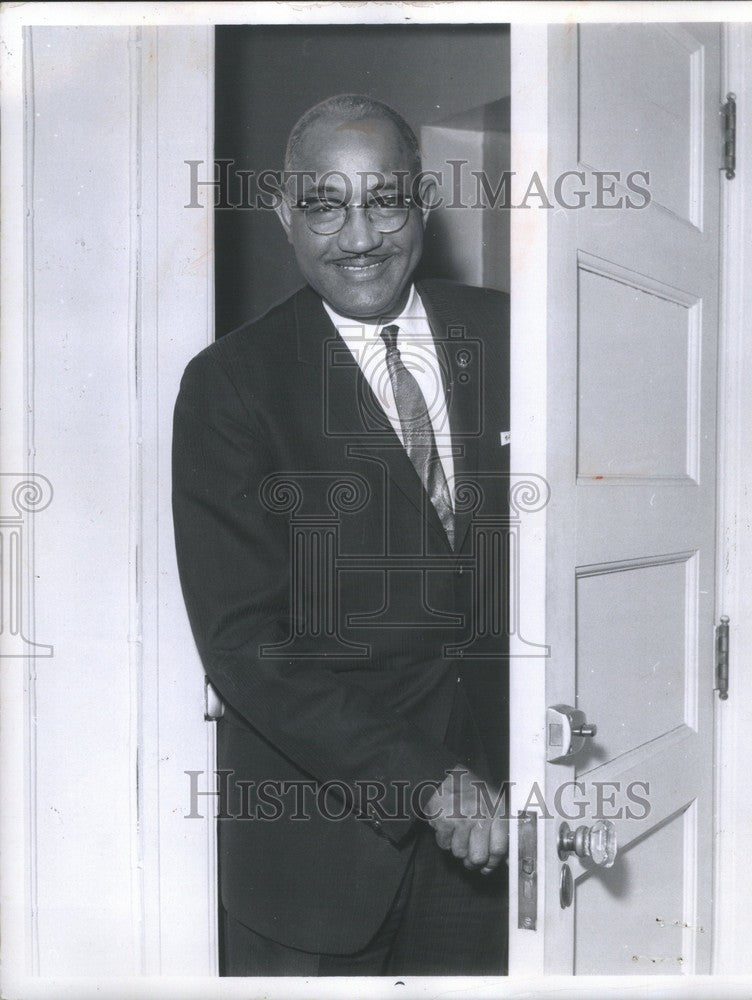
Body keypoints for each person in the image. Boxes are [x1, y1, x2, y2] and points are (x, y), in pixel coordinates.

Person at [172, 94, 510, 976]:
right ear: (287, 213)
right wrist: (423, 781)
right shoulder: (230, 386)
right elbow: (246, 644)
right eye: (325, 203)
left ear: (423, 202)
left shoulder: (511, 333)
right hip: (314, 857)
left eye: (385, 199)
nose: (360, 236)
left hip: (493, 846)